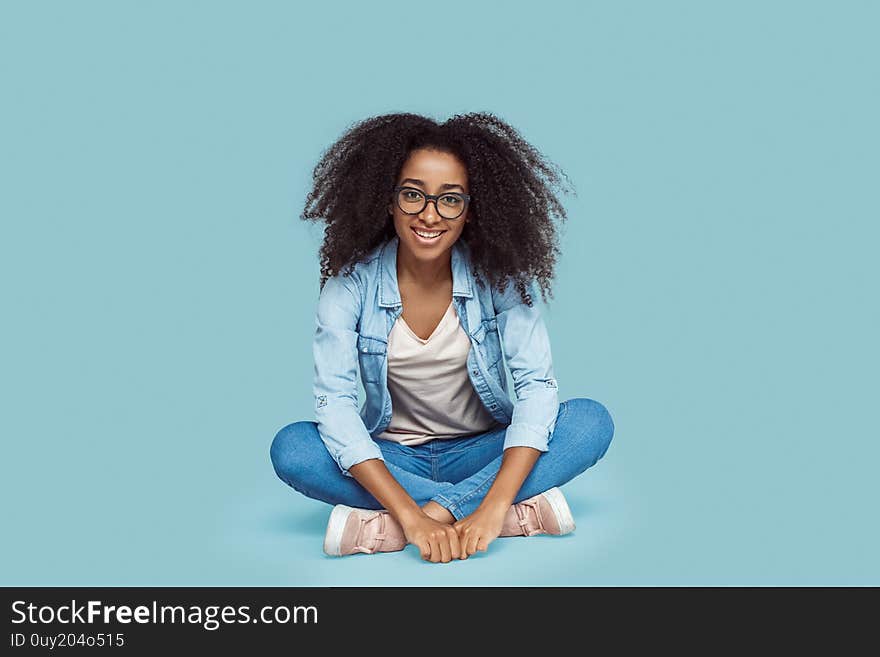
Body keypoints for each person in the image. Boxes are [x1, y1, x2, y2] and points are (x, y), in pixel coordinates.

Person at [270, 112, 615, 563]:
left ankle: (397, 527)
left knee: (589, 421)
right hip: (392, 457)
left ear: (471, 210)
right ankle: (513, 517)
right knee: (294, 447)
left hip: (484, 449)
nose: (429, 215)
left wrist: (476, 507)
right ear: (388, 200)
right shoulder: (349, 286)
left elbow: (536, 389)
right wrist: (417, 514)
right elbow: (334, 403)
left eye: (449, 200)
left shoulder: (500, 279)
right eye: (413, 195)